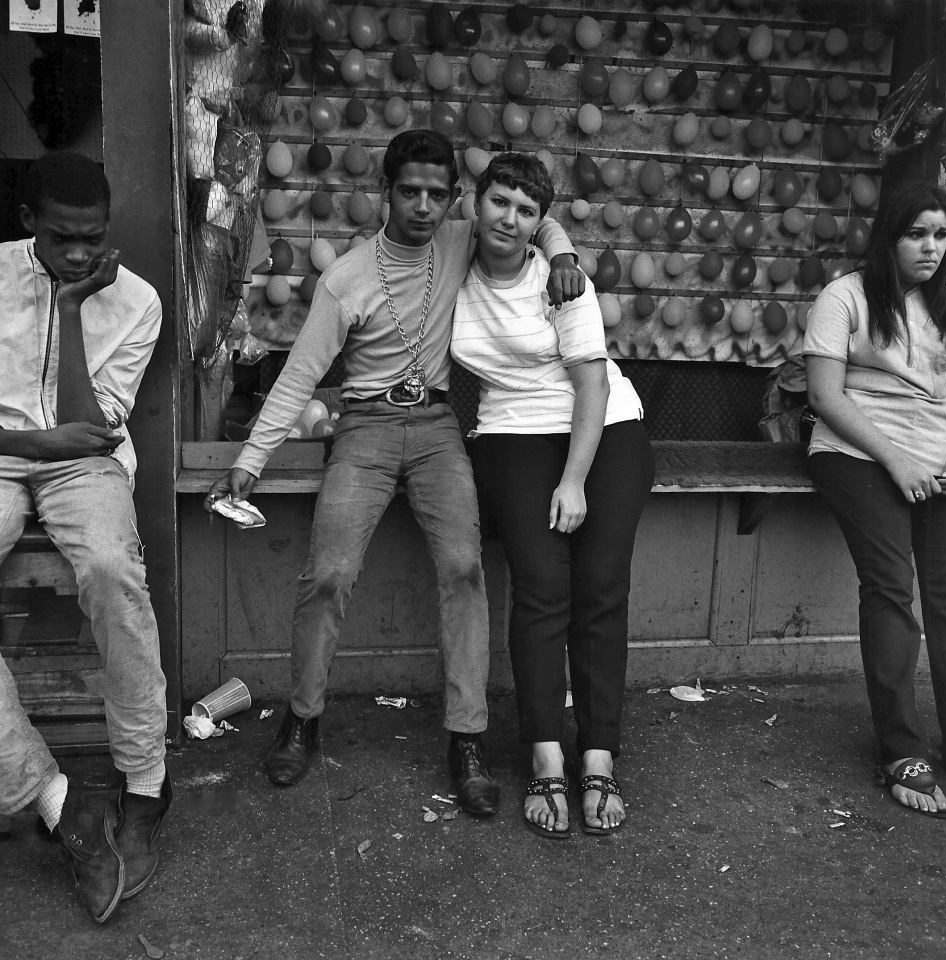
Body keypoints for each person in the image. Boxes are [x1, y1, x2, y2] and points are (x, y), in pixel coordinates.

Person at [204, 130, 584, 815]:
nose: (423, 206)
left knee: (464, 569)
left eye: (437, 194)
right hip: (365, 428)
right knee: (328, 572)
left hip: (438, 427)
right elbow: (299, 376)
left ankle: (466, 739)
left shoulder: (462, 238)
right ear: (387, 191)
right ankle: (302, 719)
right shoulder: (347, 277)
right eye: (410, 191)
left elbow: (538, 215)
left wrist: (563, 256)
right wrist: (249, 460)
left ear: (454, 198)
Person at [450, 153, 655, 837]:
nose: (509, 218)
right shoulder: (448, 264)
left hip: (603, 427)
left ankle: (598, 756)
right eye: (499, 201)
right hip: (511, 429)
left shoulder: (562, 282)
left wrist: (573, 479)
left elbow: (592, 384)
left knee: (601, 585)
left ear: (541, 221)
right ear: (474, 202)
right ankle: (544, 754)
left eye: (527, 210)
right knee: (540, 583)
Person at [0, 151, 171, 921]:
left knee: (111, 569)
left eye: (92, 238)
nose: (78, 254)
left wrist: (71, 308)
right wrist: (32, 443)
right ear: (28, 221)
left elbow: (89, 426)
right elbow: (52, 434)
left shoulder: (137, 301)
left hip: (85, 465)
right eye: (61, 238)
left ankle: (146, 784)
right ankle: (54, 799)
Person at [804, 182, 946, 819]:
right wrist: (896, 460)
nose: (930, 247)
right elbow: (824, 395)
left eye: (941, 235)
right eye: (916, 233)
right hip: (858, 451)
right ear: (888, 238)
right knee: (892, 585)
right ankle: (902, 749)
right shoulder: (844, 297)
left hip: (940, 462)